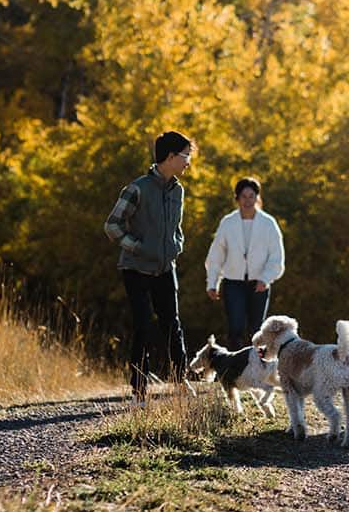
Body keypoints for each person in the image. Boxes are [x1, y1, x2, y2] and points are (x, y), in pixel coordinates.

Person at [104, 130, 194, 403]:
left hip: (166, 268)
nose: (188, 162)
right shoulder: (137, 188)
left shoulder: (178, 189)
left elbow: (176, 228)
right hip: (136, 269)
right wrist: (139, 247)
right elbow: (112, 226)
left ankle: (181, 383)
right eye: (185, 156)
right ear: (169, 156)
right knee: (143, 326)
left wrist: (177, 245)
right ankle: (139, 390)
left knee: (172, 326)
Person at [203, 177, 285, 352]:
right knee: (235, 327)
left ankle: (258, 372)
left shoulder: (268, 223)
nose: (247, 200)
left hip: (259, 284)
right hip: (233, 283)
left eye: (251, 196)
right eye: (243, 196)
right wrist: (212, 283)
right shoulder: (228, 222)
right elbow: (216, 255)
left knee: (257, 331)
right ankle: (235, 371)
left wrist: (265, 278)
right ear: (237, 198)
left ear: (257, 198)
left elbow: (277, 257)